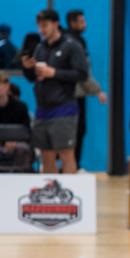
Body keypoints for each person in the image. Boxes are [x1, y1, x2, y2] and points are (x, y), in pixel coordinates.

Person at [21, 9, 88, 173]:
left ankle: (69, 193)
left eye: (45, 25)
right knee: (46, 154)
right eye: (39, 26)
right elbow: (33, 78)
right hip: (42, 109)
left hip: (64, 107)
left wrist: (54, 73)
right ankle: (49, 195)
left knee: (66, 153)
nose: (41, 30)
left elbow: (82, 74)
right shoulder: (40, 47)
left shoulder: (71, 46)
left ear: (56, 24)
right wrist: (27, 68)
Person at [64, 10, 108, 166]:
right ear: (72, 23)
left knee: (74, 132)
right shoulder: (74, 43)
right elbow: (83, 72)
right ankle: (72, 167)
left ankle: (70, 167)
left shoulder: (74, 41)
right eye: (81, 21)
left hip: (71, 95)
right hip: (73, 96)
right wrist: (98, 91)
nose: (85, 24)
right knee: (76, 132)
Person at [0, 71, 32, 172]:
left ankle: (21, 177)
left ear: (7, 86)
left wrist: (15, 141)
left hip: (16, 148)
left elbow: (27, 133)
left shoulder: (20, 107)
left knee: (23, 149)